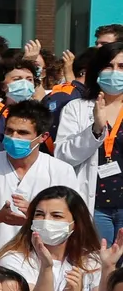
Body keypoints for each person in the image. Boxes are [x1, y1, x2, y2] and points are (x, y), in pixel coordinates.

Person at [0, 101, 81, 250]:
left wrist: (37, 214)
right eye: (9, 131)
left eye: (23, 133)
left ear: (43, 137)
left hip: (41, 259)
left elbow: (73, 223)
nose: (13, 137)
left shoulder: (61, 171)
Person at [53, 41, 123, 243]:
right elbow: (63, 155)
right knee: (96, 265)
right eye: (108, 66)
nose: (115, 72)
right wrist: (95, 129)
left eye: (121, 67)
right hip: (95, 204)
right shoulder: (77, 107)